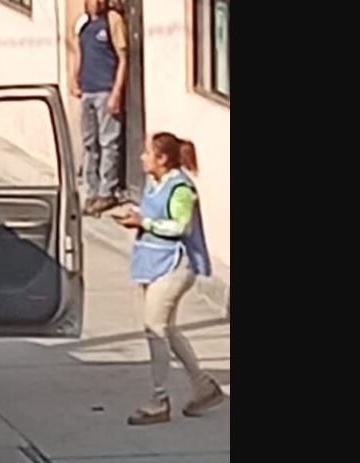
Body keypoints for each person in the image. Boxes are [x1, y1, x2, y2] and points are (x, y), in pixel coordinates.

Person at [113, 132, 225, 425]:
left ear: (162, 159)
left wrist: (144, 222)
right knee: (168, 329)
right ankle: (203, 387)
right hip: (152, 261)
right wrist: (136, 217)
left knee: (155, 328)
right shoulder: (154, 183)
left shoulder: (181, 189)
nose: (142, 158)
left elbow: (180, 227)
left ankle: (158, 399)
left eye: (147, 153)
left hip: (175, 266)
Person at [71, 0, 128, 216]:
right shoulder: (83, 24)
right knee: (89, 143)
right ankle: (92, 191)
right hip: (88, 89)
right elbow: (79, 53)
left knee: (108, 142)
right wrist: (74, 78)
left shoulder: (112, 21)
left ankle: (107, 191)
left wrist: (116, 92)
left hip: (105, 89)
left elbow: (123, 58)